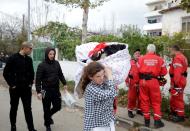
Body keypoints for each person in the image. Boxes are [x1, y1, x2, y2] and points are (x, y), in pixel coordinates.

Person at [3, 42, 37, 131]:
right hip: (15, 89)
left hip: (26, 89)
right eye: (30, 48)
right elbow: (5, 73)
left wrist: (31, 83)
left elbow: (32, 72)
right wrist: (12, 85)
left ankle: (31, 128)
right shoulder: (12, 58)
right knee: (14, 108)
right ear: (24, 48)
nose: (31, 50)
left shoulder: (29, 59)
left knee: (28, 109)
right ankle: (13, 127)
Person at [35, 47, 67, 131]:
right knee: (46, 108)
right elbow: (38, 80)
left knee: (58, 106)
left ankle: (48, 116)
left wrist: (64, 83)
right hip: (45, 90)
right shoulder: (41, 65)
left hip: (56, 89)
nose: (52, 56)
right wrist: (38, 91)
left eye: (53, 54)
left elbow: (60, 74)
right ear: (47, 54)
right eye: (50, 54)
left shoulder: (56, 63)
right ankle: (47, 125)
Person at [137, 44, 167, 128]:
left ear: (147, 50)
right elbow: (164, 72)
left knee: (144, 100)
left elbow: (137, 70)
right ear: (155, 51)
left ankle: (147, 121)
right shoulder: (160, 59)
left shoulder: (141, 58)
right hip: (153, 81)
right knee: (156, 101)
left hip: (142, 81)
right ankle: (157, 121)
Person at [81, 62, 117, 131]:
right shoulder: (91, 89)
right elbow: (113, 93)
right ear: (90, 77)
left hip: (108, 122)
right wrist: (109, 76)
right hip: (96, 125)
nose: (101, 78)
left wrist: (107, 73)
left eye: (103, 75)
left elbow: (113, 88)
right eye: (98, 76)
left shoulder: (103, 83)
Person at [169, 45, 188, 122]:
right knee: (175, 97)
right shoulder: (183, 57)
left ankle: (180, 116)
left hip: (178, 81)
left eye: (171, 51)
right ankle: (175, 112)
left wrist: (176, 83)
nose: (170, 52)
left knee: (178, 98)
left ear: (174, 50)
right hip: (181, 79)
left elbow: (177, 72)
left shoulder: (177, 58)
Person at [125, 49, 142, 118]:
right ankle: (130, 110)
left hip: (141, 82)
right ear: (133, 55)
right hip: (132, 82)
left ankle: (139, 110)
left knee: (141, 97)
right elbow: (126, 72)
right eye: (136, 53)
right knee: (132, 97)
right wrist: (126, 81)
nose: (138, 55)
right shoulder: (130, 62)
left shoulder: (142, 62)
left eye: (139, 53)